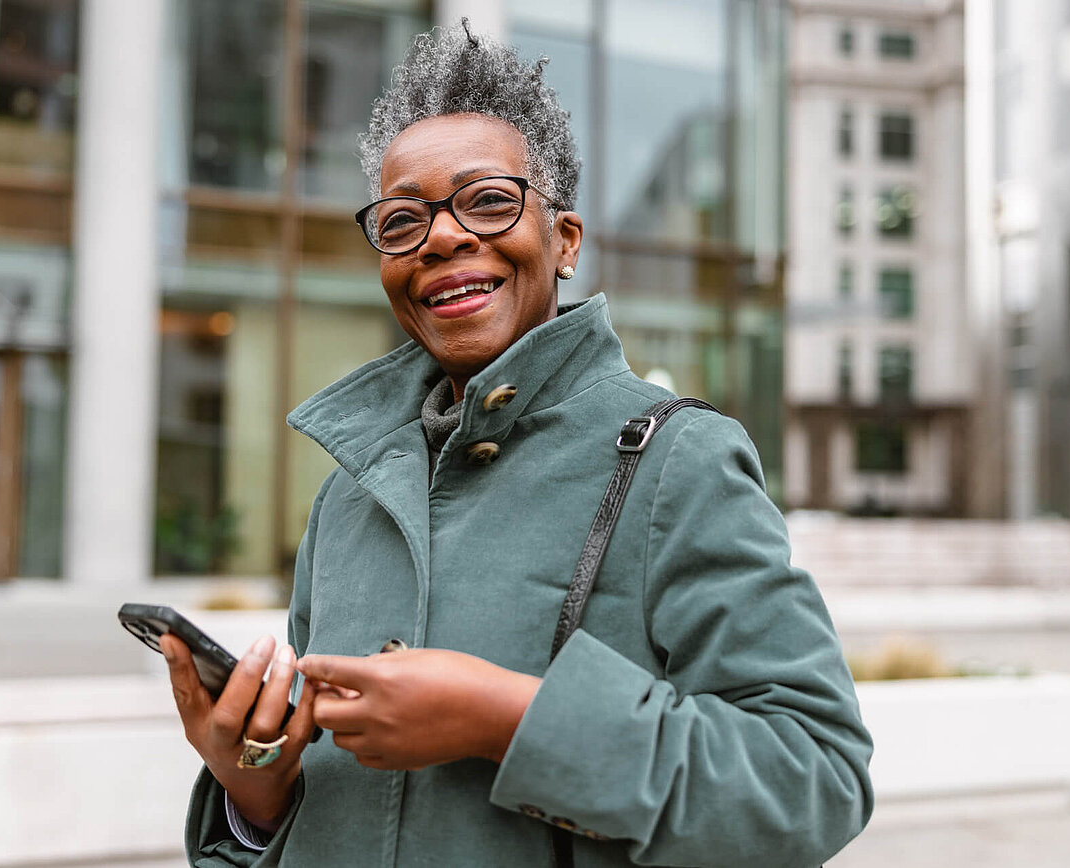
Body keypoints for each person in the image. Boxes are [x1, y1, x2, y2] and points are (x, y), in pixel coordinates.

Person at [160, 21, 872, 868]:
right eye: (402, 219)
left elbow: (813, 784)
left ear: (565, 240)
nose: (442, 237)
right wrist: (256, 791)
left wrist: (508, 718)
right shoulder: (351, 494)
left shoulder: (679, 459)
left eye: (488, 200)